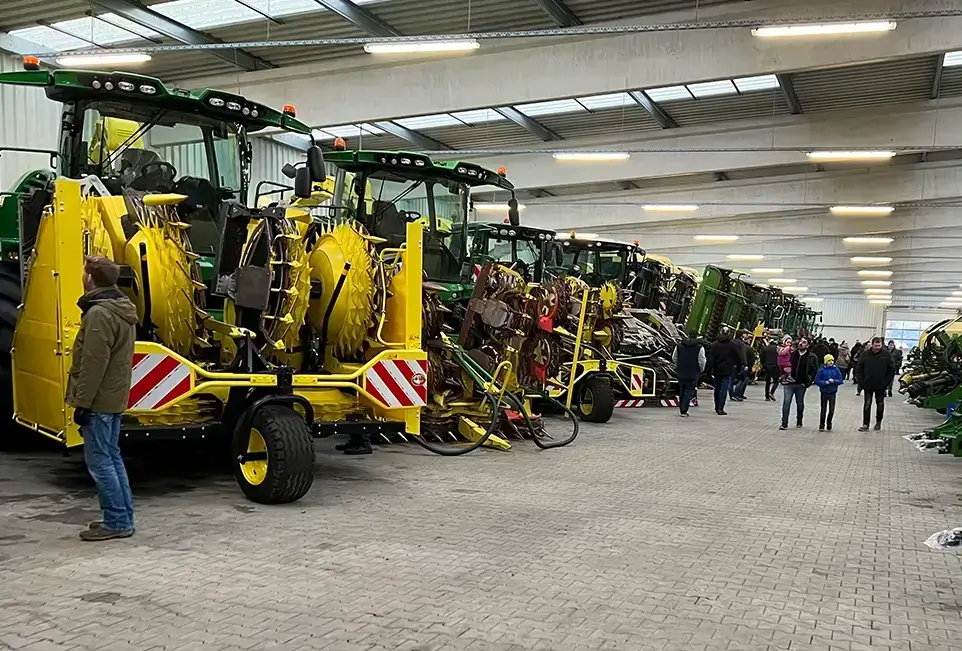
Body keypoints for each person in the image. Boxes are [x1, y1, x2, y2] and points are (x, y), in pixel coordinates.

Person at [65, 256, 138, 541]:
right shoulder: (121, 309)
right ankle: (121, 515)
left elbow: (93, 364)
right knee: (112, 457)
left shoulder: (99, 314)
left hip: (99, 401)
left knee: (101, 462)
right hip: (113, 397)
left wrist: (82, 404)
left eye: (84, 271)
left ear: (90, 278)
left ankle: (117, 522)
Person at [856, 337, 896, 431]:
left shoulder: (886, 355)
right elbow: (859, 368)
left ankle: (878, 422)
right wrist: (861, 381)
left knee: (880, 404)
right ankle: (865, 424)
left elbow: (891, 369)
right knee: (867, 404)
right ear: (872, 345)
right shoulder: (865, 354)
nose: (877, 347)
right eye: (876, 345)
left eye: (879, 345)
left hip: (881, 385)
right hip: (868, 384)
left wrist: (886, 382)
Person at [780, 336, 818, 430]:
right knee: (786, 402)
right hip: (789, 383)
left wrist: (808, 382)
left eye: (804, 342)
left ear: (808, 345)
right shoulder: (792, 354)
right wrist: (783, 375)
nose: (801, 343)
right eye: (801, 341)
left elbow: (814, 370)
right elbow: (783, 362)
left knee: (799, 403)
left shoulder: (811, 357)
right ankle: (784, 423)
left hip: (801, 384)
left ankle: (799, 420)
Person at [708, 328, 740, 416]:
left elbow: (711, 358)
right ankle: (720, 408)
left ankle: (716, 405)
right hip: (728, 370)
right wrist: (738, 368)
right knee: (724, 389)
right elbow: (738, 357)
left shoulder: (714, 344)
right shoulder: (732, 345)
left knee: (717, 388)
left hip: (717, 369)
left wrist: (709, 370)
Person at [672, 336, 706, 417]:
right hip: (693, 372)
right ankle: (684, 409)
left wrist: (678, 365)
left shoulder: (679, 346)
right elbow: (702, 360)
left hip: (681, 371)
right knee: (689, 391)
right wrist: (700, 370)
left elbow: (674, 357)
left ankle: (682, 408)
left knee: (682, 391)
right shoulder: (699, 347)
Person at [814, 354, 844, 431]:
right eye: (829, 361)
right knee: (823, 409)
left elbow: (840, 380)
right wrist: (824, 383)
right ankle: (821, 424)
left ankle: (829, 422)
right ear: (825, 362)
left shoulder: (836, 370)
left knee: (831, 409)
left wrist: (834, 381)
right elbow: (817, 380)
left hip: (832, 392)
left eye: (832, 361)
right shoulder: (822, 371)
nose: (831, 362)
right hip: (824, 392)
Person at [761, 336, 780, 402]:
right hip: (775, 366)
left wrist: (763, 365)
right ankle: (771, 392)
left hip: (767, 367)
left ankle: (767, 396)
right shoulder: (778, 349)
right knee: (776, 381)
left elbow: (762, 357)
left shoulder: (765, 348)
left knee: (767, 382)